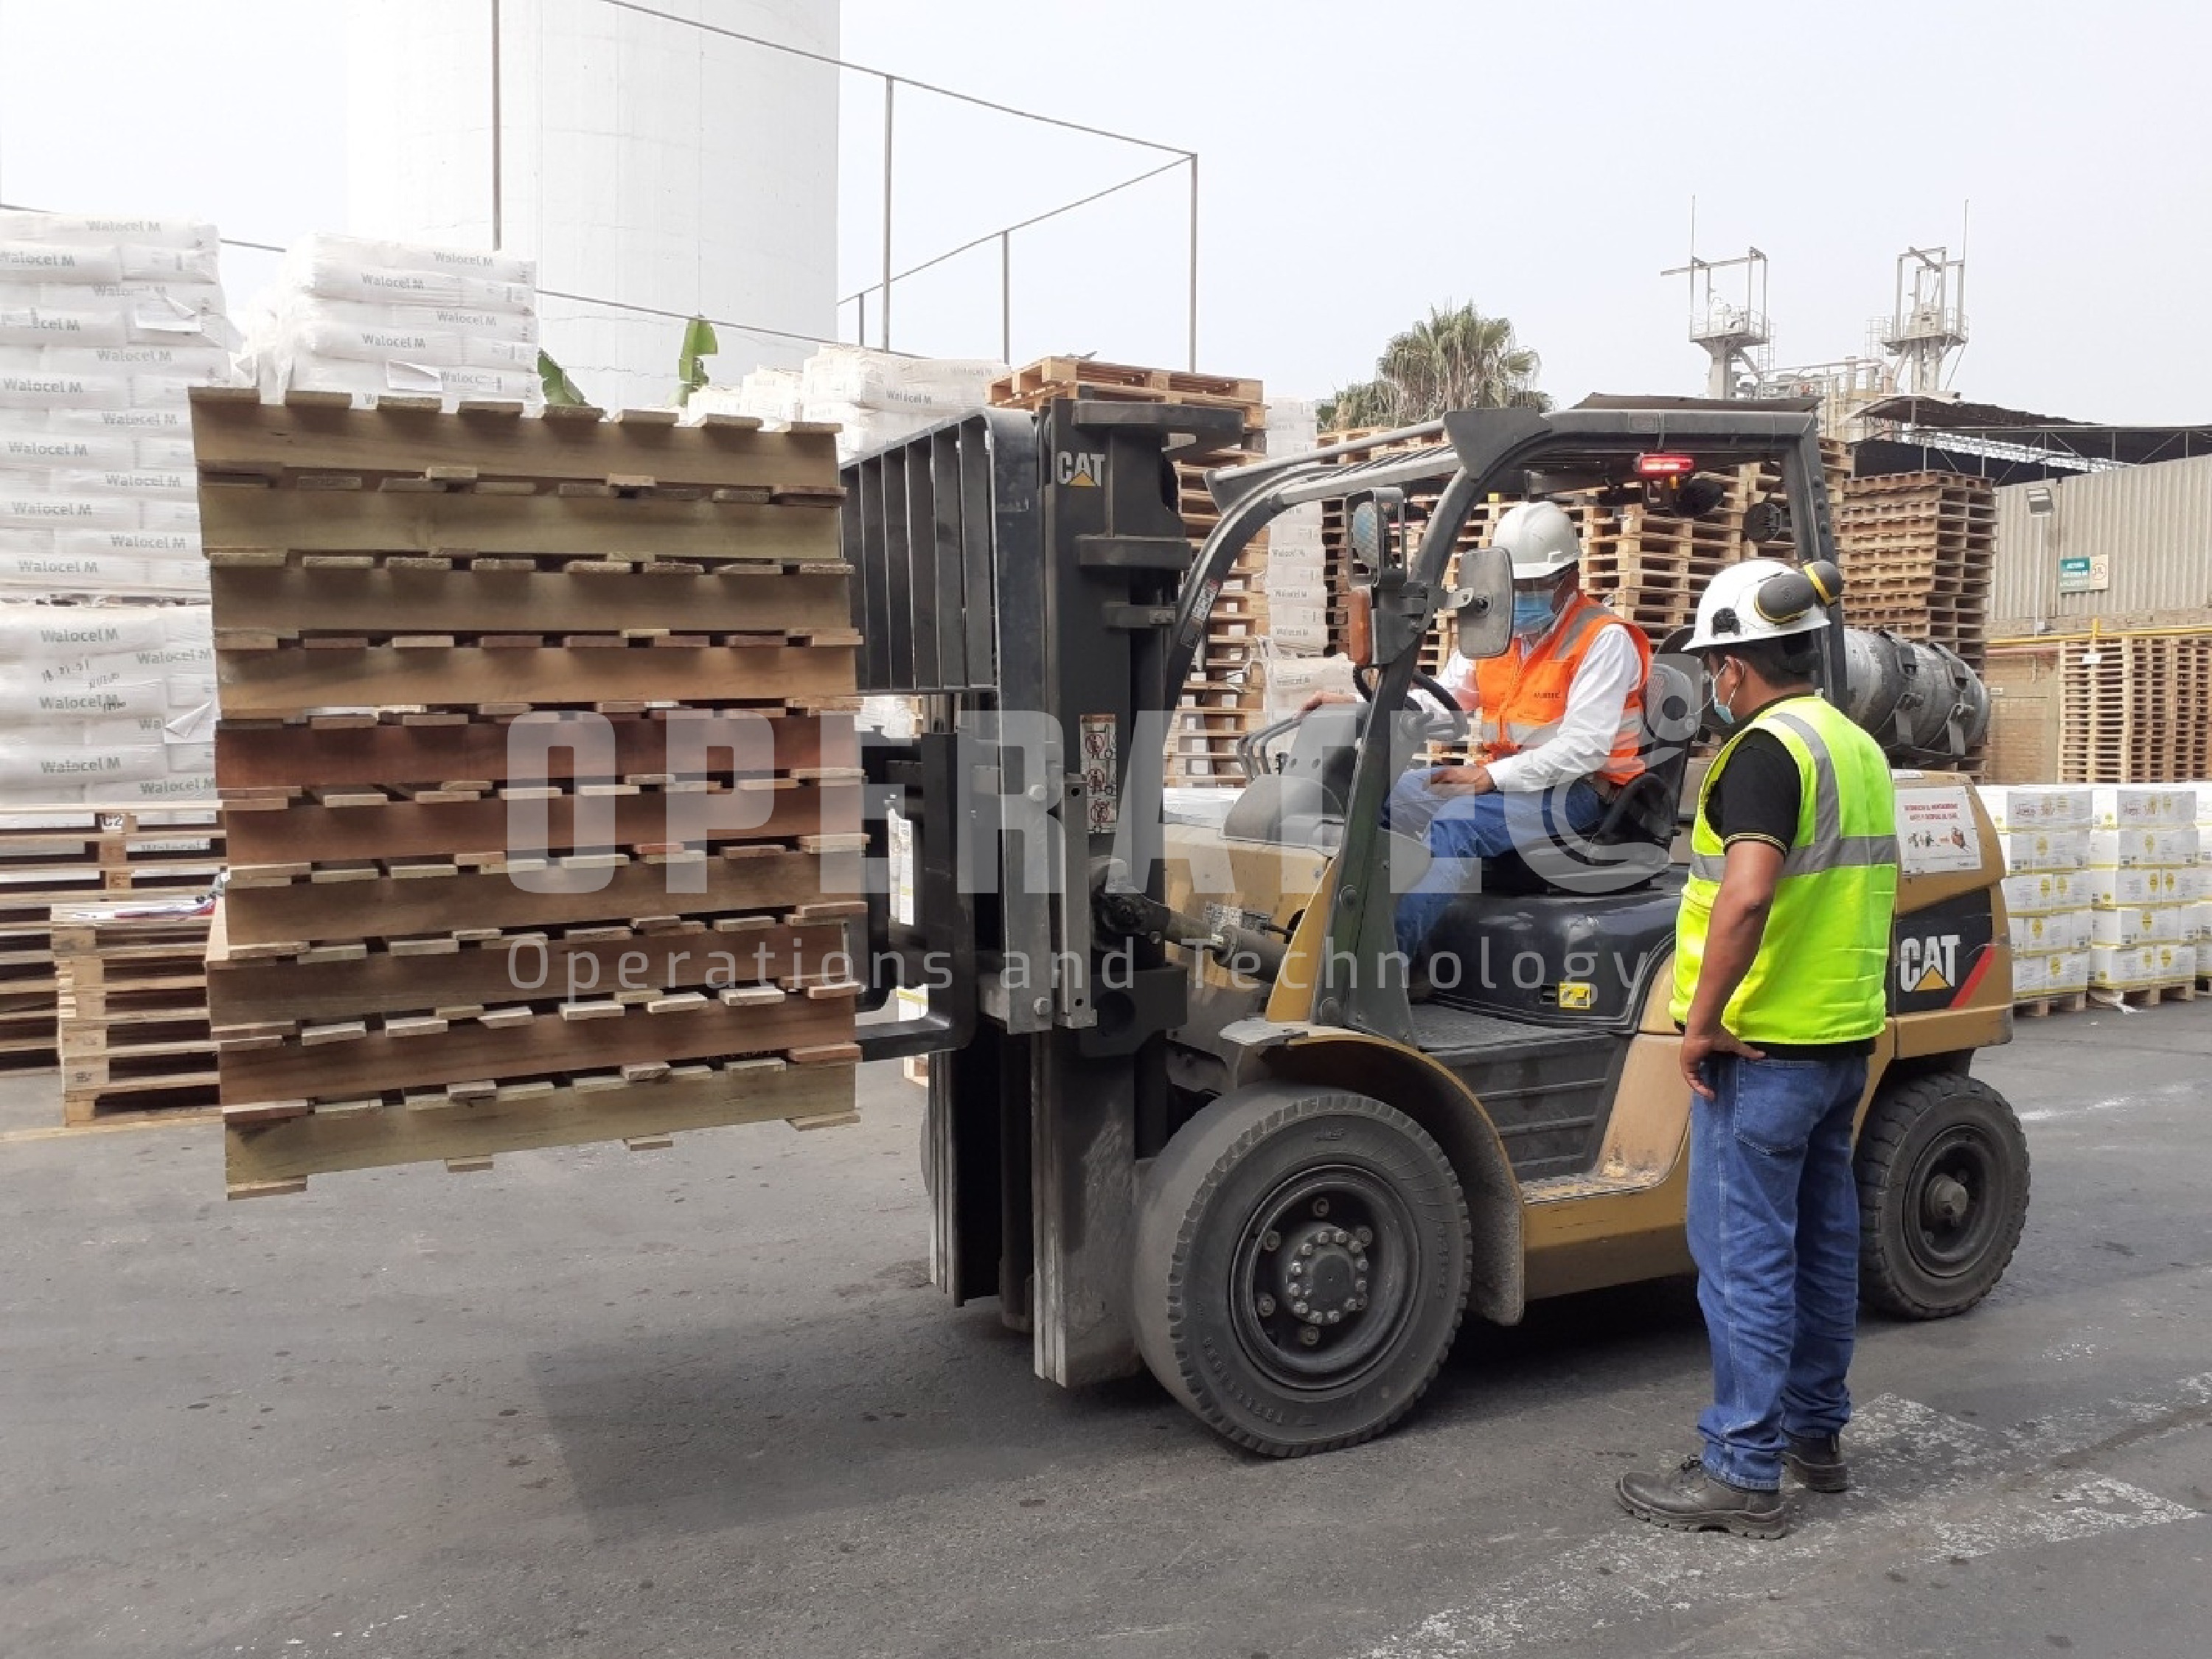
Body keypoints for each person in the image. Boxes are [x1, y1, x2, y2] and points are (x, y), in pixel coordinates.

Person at [1615, 557, 1899, 1542]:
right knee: (1823, 1246)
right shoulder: (1856, 746)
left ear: (1734, 666)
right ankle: (1814, 1437)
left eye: (1714, 664)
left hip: (1762, 1047)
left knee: (1744, 1262)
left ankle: (1742, 1469)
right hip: (1839, 1042)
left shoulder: (1764, 753)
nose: (1713, 681)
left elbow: (1744, 897)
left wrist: (1700, 1021)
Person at [1309, 500, 1652, 960]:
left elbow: (1584, 748)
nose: (1520, 595)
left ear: (1568, 579)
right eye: (1513, 585)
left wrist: (1490, 777)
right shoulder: (1495, 634)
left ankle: (1380, 969)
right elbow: (1442, 704)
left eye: (1532, 586)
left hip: (1581, 791)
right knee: (1377, 798)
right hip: (1509, 781)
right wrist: (1363, 707)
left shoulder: (1603, 639)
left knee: (1457, 824)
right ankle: (1383, 938)